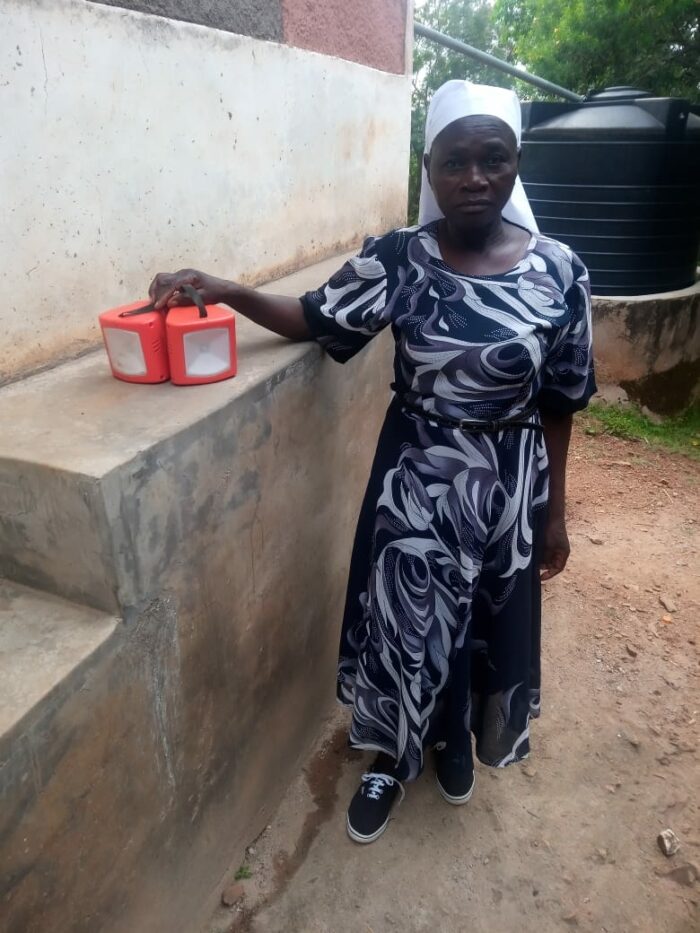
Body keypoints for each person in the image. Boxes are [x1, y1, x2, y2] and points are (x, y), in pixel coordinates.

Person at [149, 80, 596, 846]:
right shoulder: (402, 258)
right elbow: (315, 317)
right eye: (456, 161)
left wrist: (553, 513)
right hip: (417, 479)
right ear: (430, 169)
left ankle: (454, 740)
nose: (475, 177)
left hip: (507, 486)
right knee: (405, 622)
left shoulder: (560, 273)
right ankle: (391, 755)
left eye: (494, 158)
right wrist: (225, 290)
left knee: (480, 621)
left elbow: (560, 397)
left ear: (518, 162)